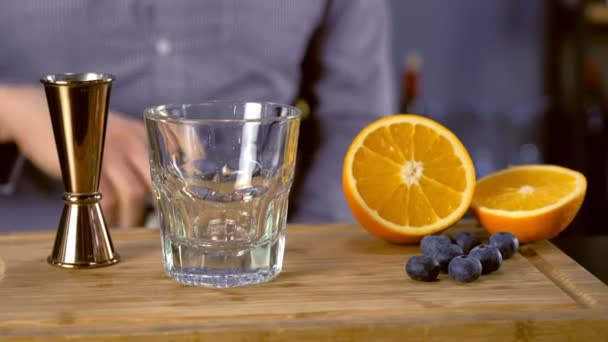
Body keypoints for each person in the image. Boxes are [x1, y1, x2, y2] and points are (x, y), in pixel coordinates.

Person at [0, 0, 394, 228]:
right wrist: (14, 110)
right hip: (25, 265)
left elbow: (355, 120)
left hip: (254, 266)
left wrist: (308, 249)